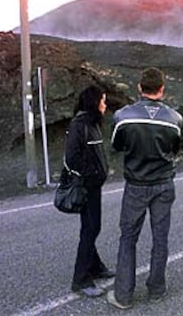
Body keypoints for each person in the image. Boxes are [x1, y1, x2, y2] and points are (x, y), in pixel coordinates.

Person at [107, 67, 183, 309]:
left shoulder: (123, 116)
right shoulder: (175, 118)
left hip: (136, 185)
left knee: (128, 238)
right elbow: (174, 149)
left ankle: (123, 295)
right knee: (160, 238)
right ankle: (157, 290)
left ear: (139, 87)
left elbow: (117, 146)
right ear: (162, 89)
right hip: (163, 184)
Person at [64, 85, 114, 297]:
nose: (105, 104)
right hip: (87, 186)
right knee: (91, 228)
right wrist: (91, 174)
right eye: (102, 100)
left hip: (94, 185)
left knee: (91, 227)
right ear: (94, 102)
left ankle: (96, 267)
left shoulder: (92, 123)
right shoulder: (80, 124)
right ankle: (81, 280)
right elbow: (72, 157)